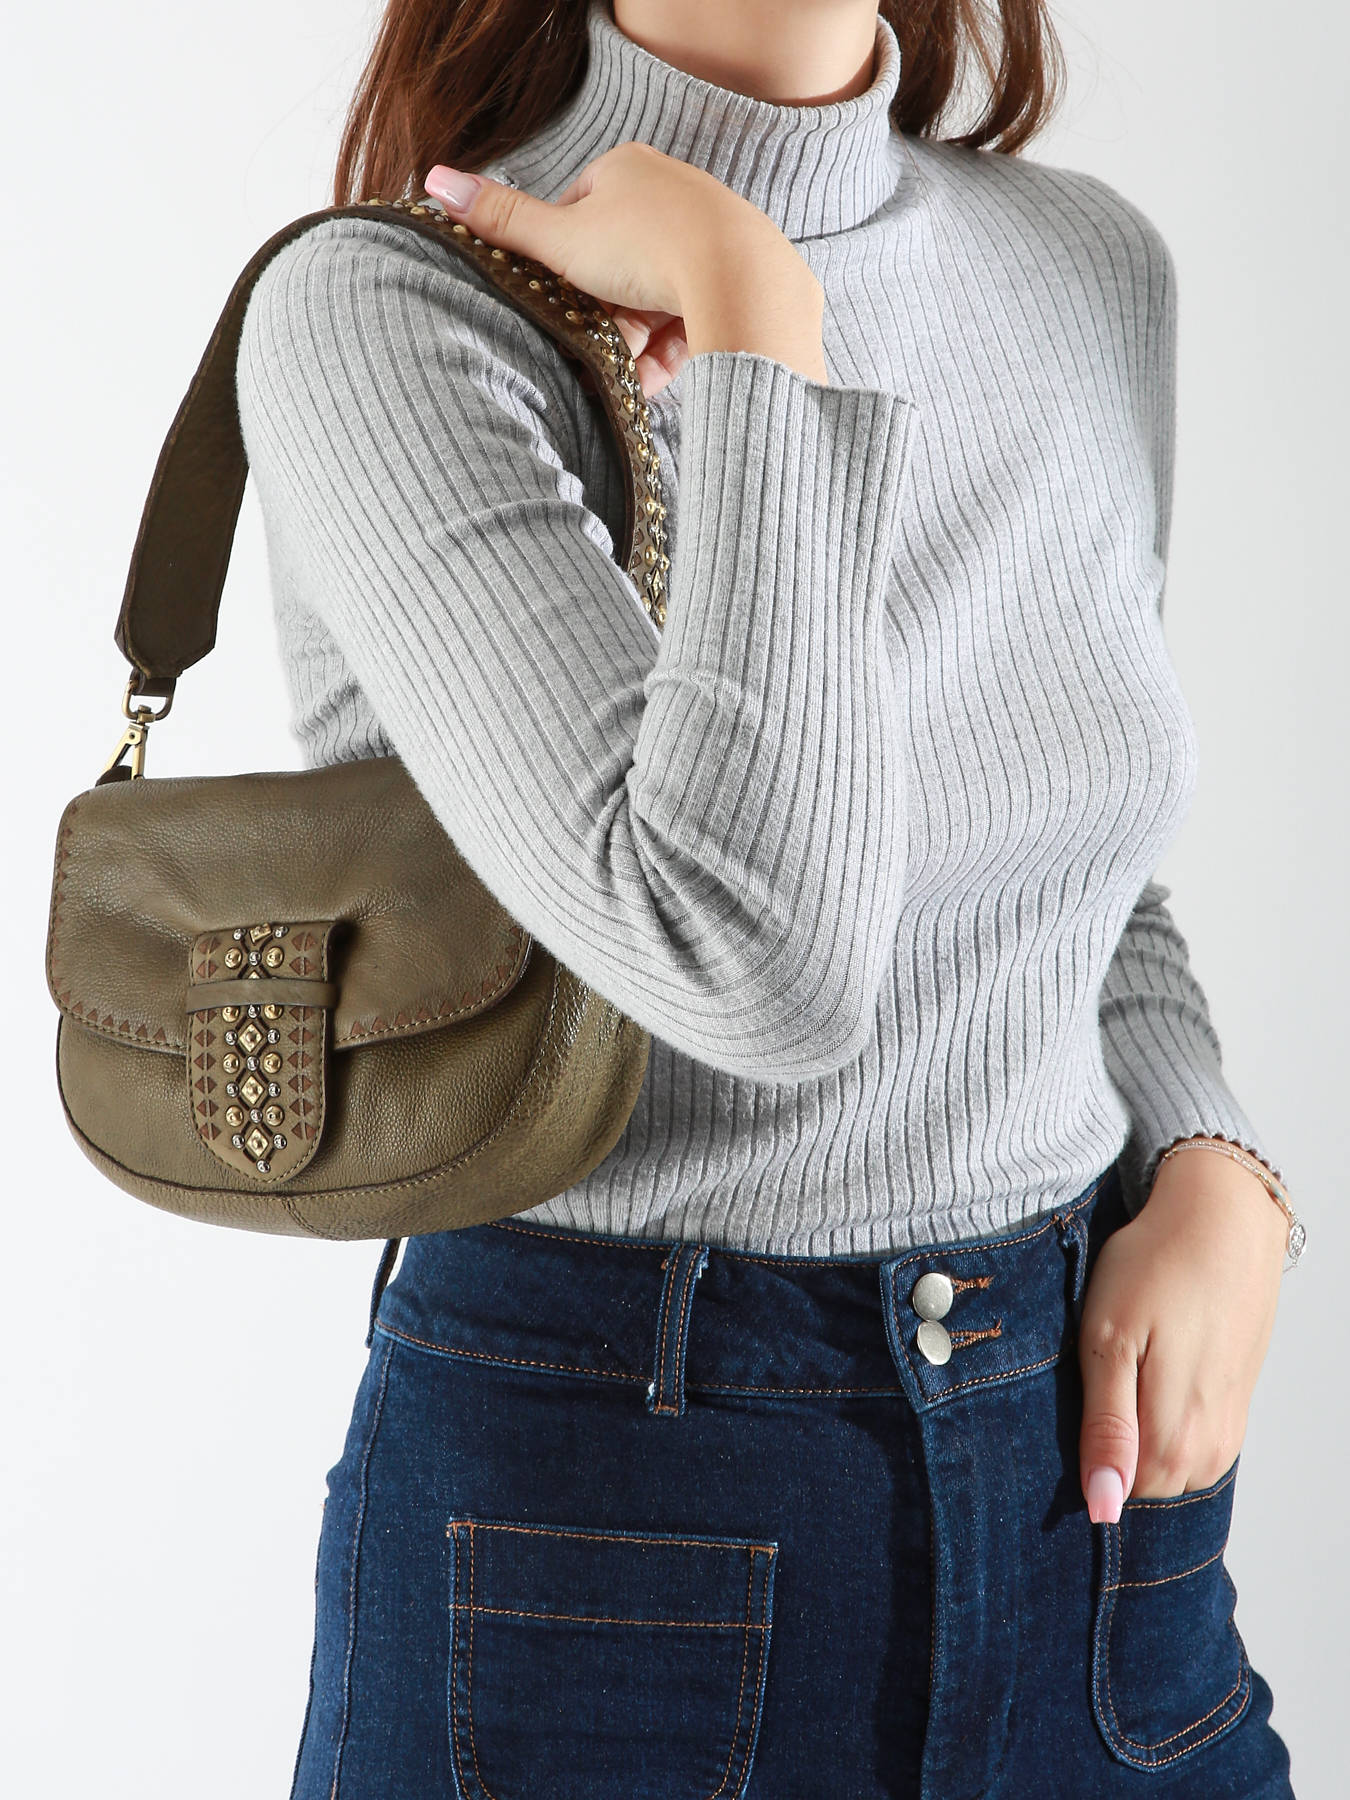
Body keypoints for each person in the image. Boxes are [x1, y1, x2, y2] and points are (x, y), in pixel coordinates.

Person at [235, 2, 1301, 1793]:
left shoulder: (1085, 268)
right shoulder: (393, 312)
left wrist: (1216, 1165)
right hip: (606, 1538)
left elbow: (1069, 871)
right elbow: (752, 960)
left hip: (1096, 1525)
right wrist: (752, 323)